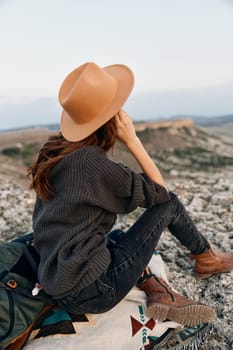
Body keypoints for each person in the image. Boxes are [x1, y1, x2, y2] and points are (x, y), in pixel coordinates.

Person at [28, 62, 233, 327]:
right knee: (168, 204)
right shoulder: (91, 162)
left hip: (59, 280)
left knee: (115, 237)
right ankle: (206, 259)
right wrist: (133, 140)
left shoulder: (54, 152)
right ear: (109, 119)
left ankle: (156, 290)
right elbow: (161, 195)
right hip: (95, 291)